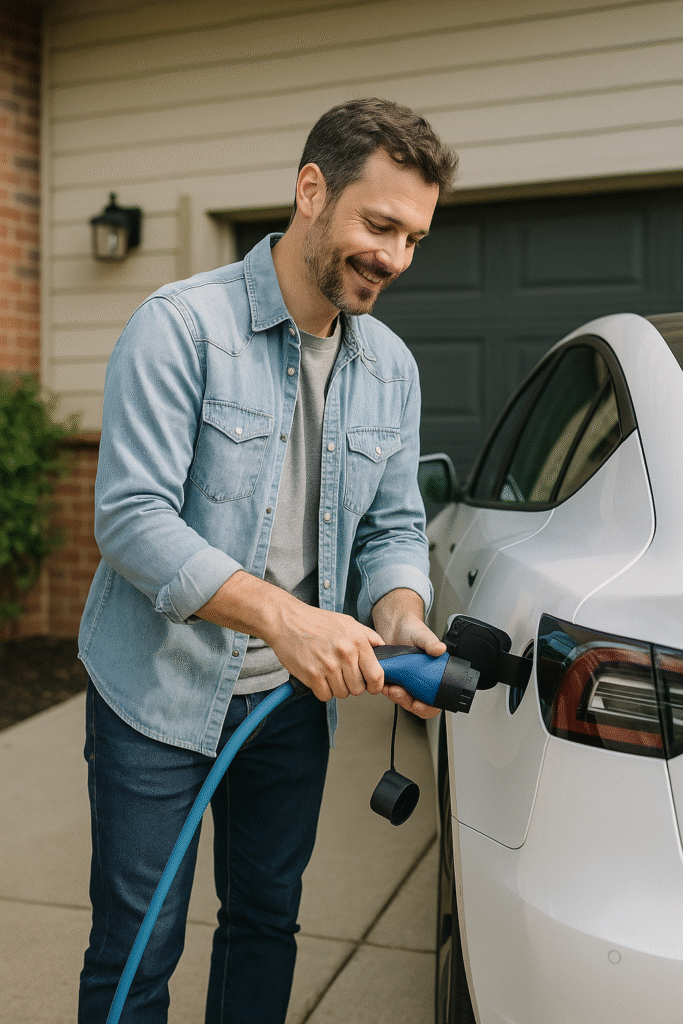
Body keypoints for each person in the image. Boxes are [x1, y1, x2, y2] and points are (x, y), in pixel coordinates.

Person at [77, 97, 458, 1023]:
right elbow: (130, 518)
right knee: (139, 942)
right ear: (310, 190)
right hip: (154, 695)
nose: (394, 258)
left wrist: (401, 613)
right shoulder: (180, 327)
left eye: (413, 237)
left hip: (292, 708)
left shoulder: (394, 370)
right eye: (378, 225)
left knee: (266, 923)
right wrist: (286, 619)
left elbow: (393, 526)